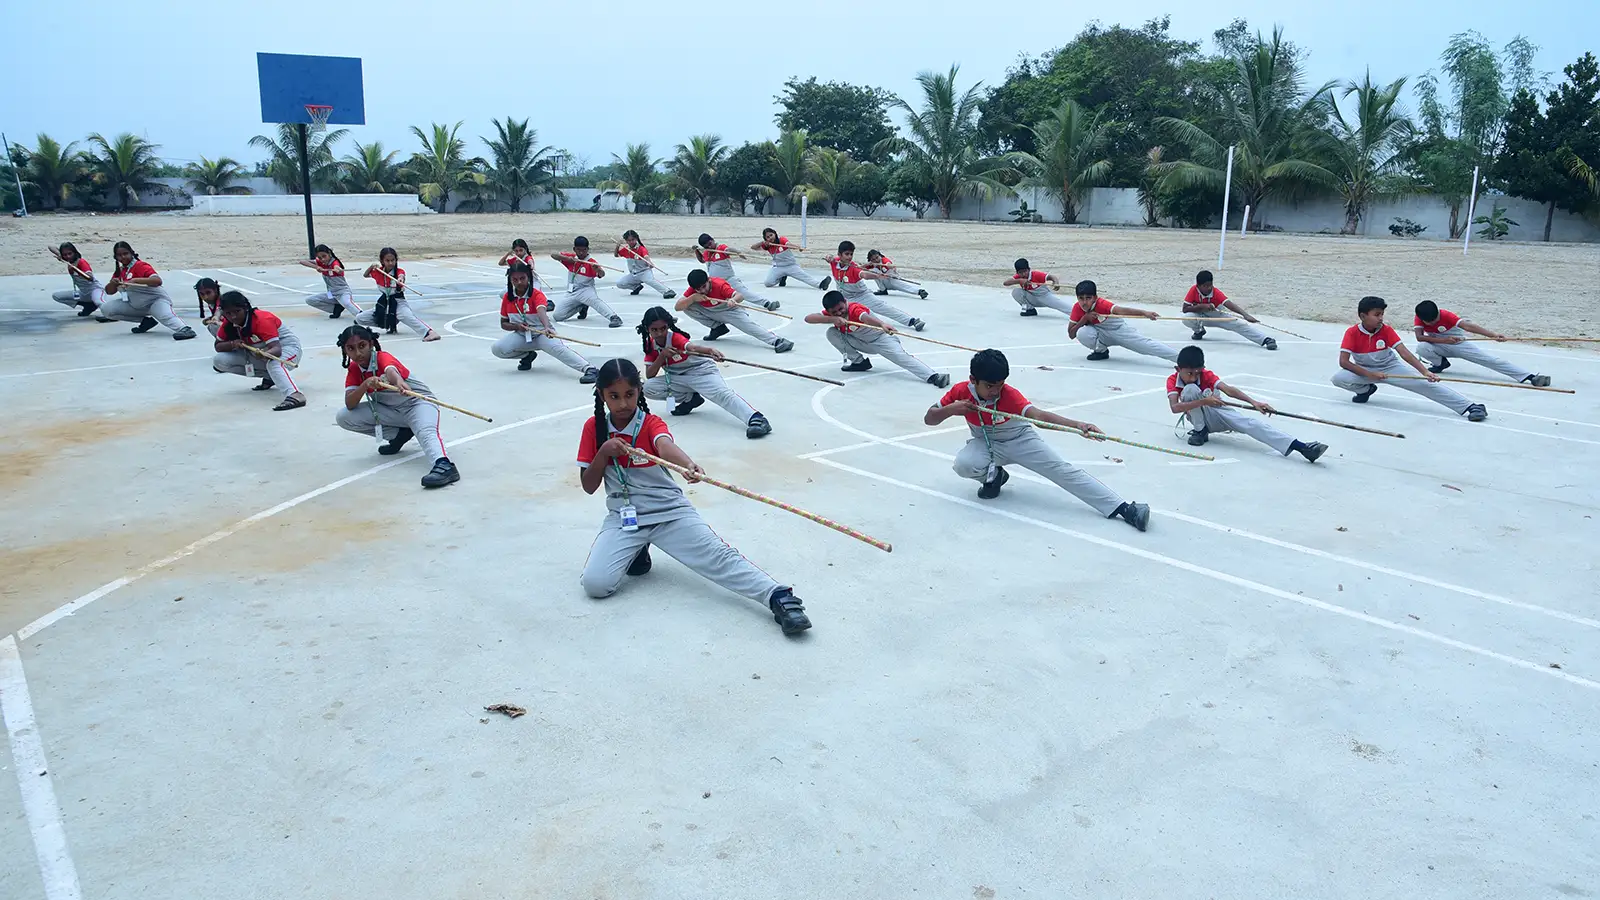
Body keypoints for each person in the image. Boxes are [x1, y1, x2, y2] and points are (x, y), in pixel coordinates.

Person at [577, 358, 811, 635]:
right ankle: (637, 549)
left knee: (719, 557)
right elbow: (588, 485)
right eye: (613, 396)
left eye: (630, 394)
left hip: (669, 513)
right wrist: (603, 452)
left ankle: (777, 596)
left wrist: (688, 464)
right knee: (596, 585)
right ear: (601, 395)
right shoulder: (594, 428)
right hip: (624, 518)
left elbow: (664, 446)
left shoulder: (650, 423)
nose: (623, 404)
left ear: (640, 391)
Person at [925, 349, 1150, 531]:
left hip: (1020, 440)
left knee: (1062, 470)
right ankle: (994, 477)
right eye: (989, 386)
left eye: (1000, 384)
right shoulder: (959, 392)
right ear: (973, 380)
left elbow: (1040, 418)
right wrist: (951, 409)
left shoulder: (1009, 395)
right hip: (986, 442)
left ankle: (1124, 509)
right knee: (964, 464)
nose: (995, 391)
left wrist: (1078, 426)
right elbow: (929, 419)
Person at [335, 325, 461, 488]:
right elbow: (350, 403)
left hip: (418, 404)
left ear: (371, 344)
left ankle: (443, 465)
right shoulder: (354, 369)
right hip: (393, 411)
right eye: (351, 348)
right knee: (344, 416)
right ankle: (399, 434)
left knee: (425, 432)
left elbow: (391, 371)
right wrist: (365, 385)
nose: (358, 353)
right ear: (345, 350)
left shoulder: (381, 357)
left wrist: (399, 382)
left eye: (362, 346)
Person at [1334, 296, 1487, 421]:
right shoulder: (1352, 333)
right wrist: (1370, 375)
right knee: (1339, 378)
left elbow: (1404, 353)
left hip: (1390, 368)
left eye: (1382, 314)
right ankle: (1365, 390)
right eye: (1376, 315)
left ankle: (1470, 406)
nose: (1381, 318)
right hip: (1365, 370)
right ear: (1362, 316)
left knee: (1424, 385)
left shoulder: (1386, 330)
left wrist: (1425, 372)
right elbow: (1344, 362)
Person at [1168, 345, 1327, 460]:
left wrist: (1254, 403)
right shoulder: (1172, 381)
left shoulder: (1206, 375)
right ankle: (1199, 431)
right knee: (1189, 390)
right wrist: (1204, 401)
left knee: (1251, 424)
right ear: (1177, 369)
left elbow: (1229, 390)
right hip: (1197, 417)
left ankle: (1302, 447)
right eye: (1190, 373)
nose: (1195, 377)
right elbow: (1175, 408)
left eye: (1198, 373)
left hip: (1218, 412)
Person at [640, 306, 771, 438]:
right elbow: (650, 375)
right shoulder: (649, 345)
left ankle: (756, 418)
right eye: (654, 330)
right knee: (648, 387)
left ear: (668, 326)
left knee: (722, 394)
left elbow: (692, 347)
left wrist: (709, 351)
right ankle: (690, 398)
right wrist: (662, 356)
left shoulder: (675, 338)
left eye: (663, 328)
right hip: (678, 378)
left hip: (701, 372)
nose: (659, 333)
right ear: (647, 329)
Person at [805, 290, 949, 387]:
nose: (839, 313)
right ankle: (859, 362)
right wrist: (832, 319)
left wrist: (882, 324)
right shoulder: (833, 314)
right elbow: (808, 319)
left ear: (845, 301)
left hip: (881, 339)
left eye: (841, 309)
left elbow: (865, 318)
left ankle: (933, 377)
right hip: (861, 342)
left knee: (901, 357)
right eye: (834, 312)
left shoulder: (854, 308)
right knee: (831, 332)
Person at [492, 262, 600, 384]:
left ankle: (589, 369)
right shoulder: (507, 297)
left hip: (542, 333)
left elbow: (541, 310)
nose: (519, 282)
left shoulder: (537, 295)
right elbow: (503, 323)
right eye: (515, 279)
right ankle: (526, 356)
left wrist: (547, 327)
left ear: (529, 277)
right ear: (510, 280)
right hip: (521, 335)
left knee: (560, 350)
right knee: (498, 349)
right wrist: (517, 326)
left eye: (522, 278)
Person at [1413, 300, 1551, 386]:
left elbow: (1469, 326)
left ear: (1438, 312)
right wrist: (1443, 340)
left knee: (1489, 360)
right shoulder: (1419, 318)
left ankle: (1528, 376)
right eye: (1429, 322)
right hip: (1439, 344)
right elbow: (1419, 337)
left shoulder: (1446, 315)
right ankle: (1440, 364)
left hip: (1459, 344)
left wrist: (1493, 335)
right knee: (1422, 348)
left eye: (1435, 319)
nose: (1433, 323)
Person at [211, 290, 306, 411]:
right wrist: (232, 344)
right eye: (228, 313)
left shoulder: (262, 319)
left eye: (237, 311)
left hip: (285, 347)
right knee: (219, 361)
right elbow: (218, 346)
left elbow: (276, 349)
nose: (233, 316)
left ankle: (294, 394)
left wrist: (265, 354)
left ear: (245, 308)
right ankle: (271, 377)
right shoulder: (228, 324)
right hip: (257, 351)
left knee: (275, 363)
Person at [674, 269, 795, 353]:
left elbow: (740, 295)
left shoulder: (719, 284)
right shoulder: (694, 290)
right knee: (687, 306)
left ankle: (777, 341)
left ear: (708, 280)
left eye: (704, 287)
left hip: (729, 310)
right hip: (711, 311)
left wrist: (733, 300)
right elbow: (677, 307)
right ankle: (717, 328)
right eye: (698, 289)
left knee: (750, 327)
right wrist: (693, 297)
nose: (702, 291)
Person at [99, 241, 198, 339]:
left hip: (155, 301)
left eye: (125, 254)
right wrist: (113, 283)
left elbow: (157, 281)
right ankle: (146, 321)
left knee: (166, 317)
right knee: (107, 309)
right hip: (135, 304)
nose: (123, 257)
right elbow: (109, 291)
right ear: (116, 257)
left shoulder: (140, 266)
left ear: (132, 253)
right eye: (119, 255)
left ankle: (185, 329)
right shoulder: (120, 271)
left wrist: (136, 280)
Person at [1068, 280, 1176, 364]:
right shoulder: (1077, 308)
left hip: (1119, 331)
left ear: (1095, 298)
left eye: (1088, 298)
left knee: (1146, 346)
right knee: (1082, 333)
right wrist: (1084, 319)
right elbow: (1071, 334)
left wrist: (1144, 313)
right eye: (1081, 298)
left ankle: (1179, 358)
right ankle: (1101, 352)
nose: (1084, 302)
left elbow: (1122, 310)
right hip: (1101, 334)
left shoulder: (1102, 304)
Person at [826, 240, 925, 331]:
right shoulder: (835, 262)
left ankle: (912, 321)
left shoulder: (854, 268)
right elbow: (830, 257)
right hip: (845, 299)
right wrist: (828, 256)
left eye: (851, 254)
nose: (849, 257)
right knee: (853, 316)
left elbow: (864, 274)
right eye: (846, 254)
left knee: (883, 308)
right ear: (839, 254)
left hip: (862, 295)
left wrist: (877, 276)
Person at [1181, 270, 1276, 350]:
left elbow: (1229, 304)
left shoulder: (1216, 292)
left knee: (1239, 324)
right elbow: (1185, 309)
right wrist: (1201, 306)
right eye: (1205, 286)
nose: (1209, 288)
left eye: (1210, 285)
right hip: (1200, 316)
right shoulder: (1193, 290)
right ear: (1198, 286)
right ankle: (1199, 331)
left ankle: (1265, 339)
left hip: (1217, 315)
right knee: (1187, 318)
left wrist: (1245, 315)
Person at [359, 247, 440, 341]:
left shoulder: (398, 272)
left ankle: (429, 332)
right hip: (384, 302)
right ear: (382, 261)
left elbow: (402, 275)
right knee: (360, 318)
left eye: (392, 260)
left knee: (406, 316)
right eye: (387, 260)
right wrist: (371, 266)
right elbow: (366, 275)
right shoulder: (378, 272)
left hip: (398, 301)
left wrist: (401, 280)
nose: (390, 263)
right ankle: (389, 322)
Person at [694, 232, 780, 310]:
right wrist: (696, 251)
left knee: (744, 293)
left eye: (710, 244)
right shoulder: (706, 252)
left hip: (729, 279)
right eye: (706, 246)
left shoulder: (721, 248)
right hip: (715, 282)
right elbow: (702, 260)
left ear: (712, 240)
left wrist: (738, 252)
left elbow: (728, 250)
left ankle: (767, 303)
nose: (709, 247)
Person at [551, 236, 623, 327]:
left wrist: (597, 270)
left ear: (587, 249)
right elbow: (553, 255)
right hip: (572, 292)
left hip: (586, 290)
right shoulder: (571, 259)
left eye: (584, 250)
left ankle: (614, 317)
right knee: (557, 316)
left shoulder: (591, 262)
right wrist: (566, 259)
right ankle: (581, 306)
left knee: (595, 301)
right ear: (574, 249)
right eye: (578, 250)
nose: (581, 252)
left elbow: (602, 274)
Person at [755, 227, 830, 290]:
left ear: (775, 233)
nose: (770, 238)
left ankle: (820, 285)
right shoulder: (767, 245)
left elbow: (789, 244)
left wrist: (798, 247)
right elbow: (753, 247)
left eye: (771, 235)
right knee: (768, 283)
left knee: (804, 277)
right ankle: (781, 278)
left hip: (791, 266)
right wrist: (762, 242)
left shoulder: (782, 239)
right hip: (778, 267)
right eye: (767, 237)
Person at [301, 244, 362, 319]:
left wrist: (337, 269)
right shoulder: (320, 263)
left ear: (329, 253)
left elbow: (337, 267)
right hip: (330, 293)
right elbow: (302, 261)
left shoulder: (334, 263)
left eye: (324, 256)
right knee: (310, 300)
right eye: (319, 257)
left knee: (347, 303)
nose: (322, 259)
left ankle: (361, 316)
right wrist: (317, 267)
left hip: (342, 292)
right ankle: (336, 308)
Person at [614, 230, 676, 300]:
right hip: (634, 274)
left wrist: (649, 263)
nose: (631, 242)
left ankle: (667, 291)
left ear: (636, 239)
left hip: (644, 272)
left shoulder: (641, 249)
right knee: (620, 283)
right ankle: (636, 287)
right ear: (626, 241)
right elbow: (616, 255)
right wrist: (617, 245)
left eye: (633, 240)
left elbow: (646, 256)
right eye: (629, 240)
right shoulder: (626, 249)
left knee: (650, 281)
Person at [47, 243, 103, 316]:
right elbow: (51, 246)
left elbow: (90, 278)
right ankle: (89, 306)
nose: (68, 256)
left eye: (70, 254)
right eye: (65, 255)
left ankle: (109, 313)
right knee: (56, 296)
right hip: (83, 293)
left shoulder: (81, 262)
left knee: (99, 302)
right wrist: (59, 255)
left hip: (95, 290)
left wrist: (76, 270)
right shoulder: (68, 261)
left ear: (75, 252)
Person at [1002, 258, 1072, 317]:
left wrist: (1056, 282)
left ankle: (1078, 315)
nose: (1023, 274)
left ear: (1029, 269)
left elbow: (1051, 277)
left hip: (1044, 297)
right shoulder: (1019, 277)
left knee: (1061, 305)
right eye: (1020, 272)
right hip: (1033, 298)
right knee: (1016, 292)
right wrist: (1019, 281)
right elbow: (1005, 283)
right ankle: (1030, 310)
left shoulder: (1035, 274)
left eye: (1025, 271)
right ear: (1017, 272)